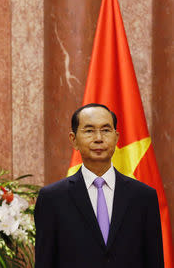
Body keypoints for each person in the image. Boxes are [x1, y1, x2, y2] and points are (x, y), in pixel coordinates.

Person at [34, 103, 164, 268]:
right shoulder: (52, 198)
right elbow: (45, 261)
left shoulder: (143, 197)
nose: (98, 138)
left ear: (116, 138)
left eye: (105, 130)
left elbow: (154, 261)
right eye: (89, 131)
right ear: (73, 140)